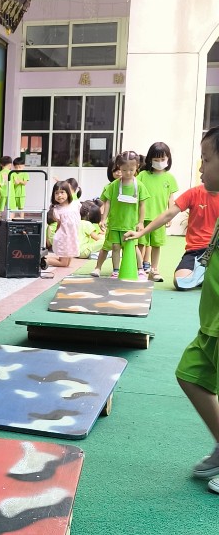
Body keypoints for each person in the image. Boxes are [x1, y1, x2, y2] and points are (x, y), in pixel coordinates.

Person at [150, 127, 219, 492]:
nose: (201, 167)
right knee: (190, 375)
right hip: (210, 323)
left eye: (206, 159)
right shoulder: (200, 195)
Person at [92, 151, 149, 279]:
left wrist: (140, 222)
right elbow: (107, 202)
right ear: (119, 167)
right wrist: (103, 218)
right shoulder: (114, 185)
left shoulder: (139, 186)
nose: (128, 173)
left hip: (130, 224)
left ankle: (140, 269)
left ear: (137, 167)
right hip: (115, 224)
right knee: (115, 247)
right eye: (124, 170)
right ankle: (116, 270)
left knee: (133, 247)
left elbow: (142, 205)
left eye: (131, 170)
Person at [136, 142, 179, 281]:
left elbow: (170, 198)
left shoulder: (169, 178)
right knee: (140, 243)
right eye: (156, 159)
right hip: (142, 217)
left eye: (162, 159)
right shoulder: (143, 175)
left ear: (168, 159)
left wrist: (170, 216)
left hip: (160, 218)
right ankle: (139, 269)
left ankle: (154, 270)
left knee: (156, 245)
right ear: (150, 159)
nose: (159, 162)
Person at [45, 181, 81, 268]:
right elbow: (59, 224)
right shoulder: (57, 210)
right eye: (56, 193)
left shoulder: (75, 204)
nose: (59, 195)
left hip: (72, 237)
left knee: (67, 263)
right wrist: (57, 236)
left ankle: (46, 259)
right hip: (64, 238)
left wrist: (67, 184)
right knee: (64, 263)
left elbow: (74, 193)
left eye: (62, 192)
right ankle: (45, 260)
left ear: (68, 192)